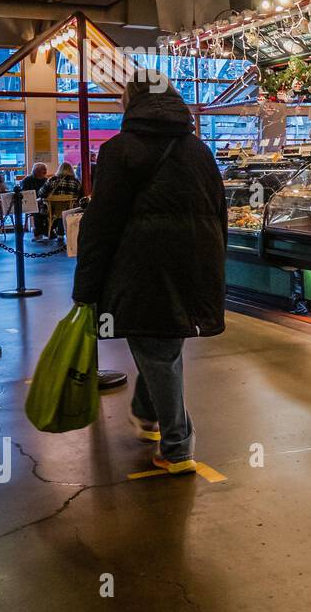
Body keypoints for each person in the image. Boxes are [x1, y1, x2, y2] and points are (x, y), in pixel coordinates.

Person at [72, 71, 226, 475]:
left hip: (143, 266)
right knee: (161, 342)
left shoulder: (119, 151)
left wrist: (85, 285)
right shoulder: (199, 149)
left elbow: (101, 223)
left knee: (157, 349)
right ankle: (147, 413)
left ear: (132, 101)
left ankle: (178, 447)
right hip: (194, 263)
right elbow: (219, 213)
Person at [38, 162, 82, 240]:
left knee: (52, 212)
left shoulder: (52, 179)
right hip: (69, 210)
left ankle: (49, 231)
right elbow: (79, 195)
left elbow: (41, 193)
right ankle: (62, 234)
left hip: (53, 210)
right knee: (64, 210)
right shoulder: (76, 181)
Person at [20, 162, 49, 239]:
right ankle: (39, 233)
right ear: (36, 171)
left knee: (52, 211)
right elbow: (24, 193)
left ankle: (46, 231)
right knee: (38, 211)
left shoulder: (46, 180)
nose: (45, 173)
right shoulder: (27, 180)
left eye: (45, 171)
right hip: (30, 202)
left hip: (43, 202)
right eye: (43, 171)